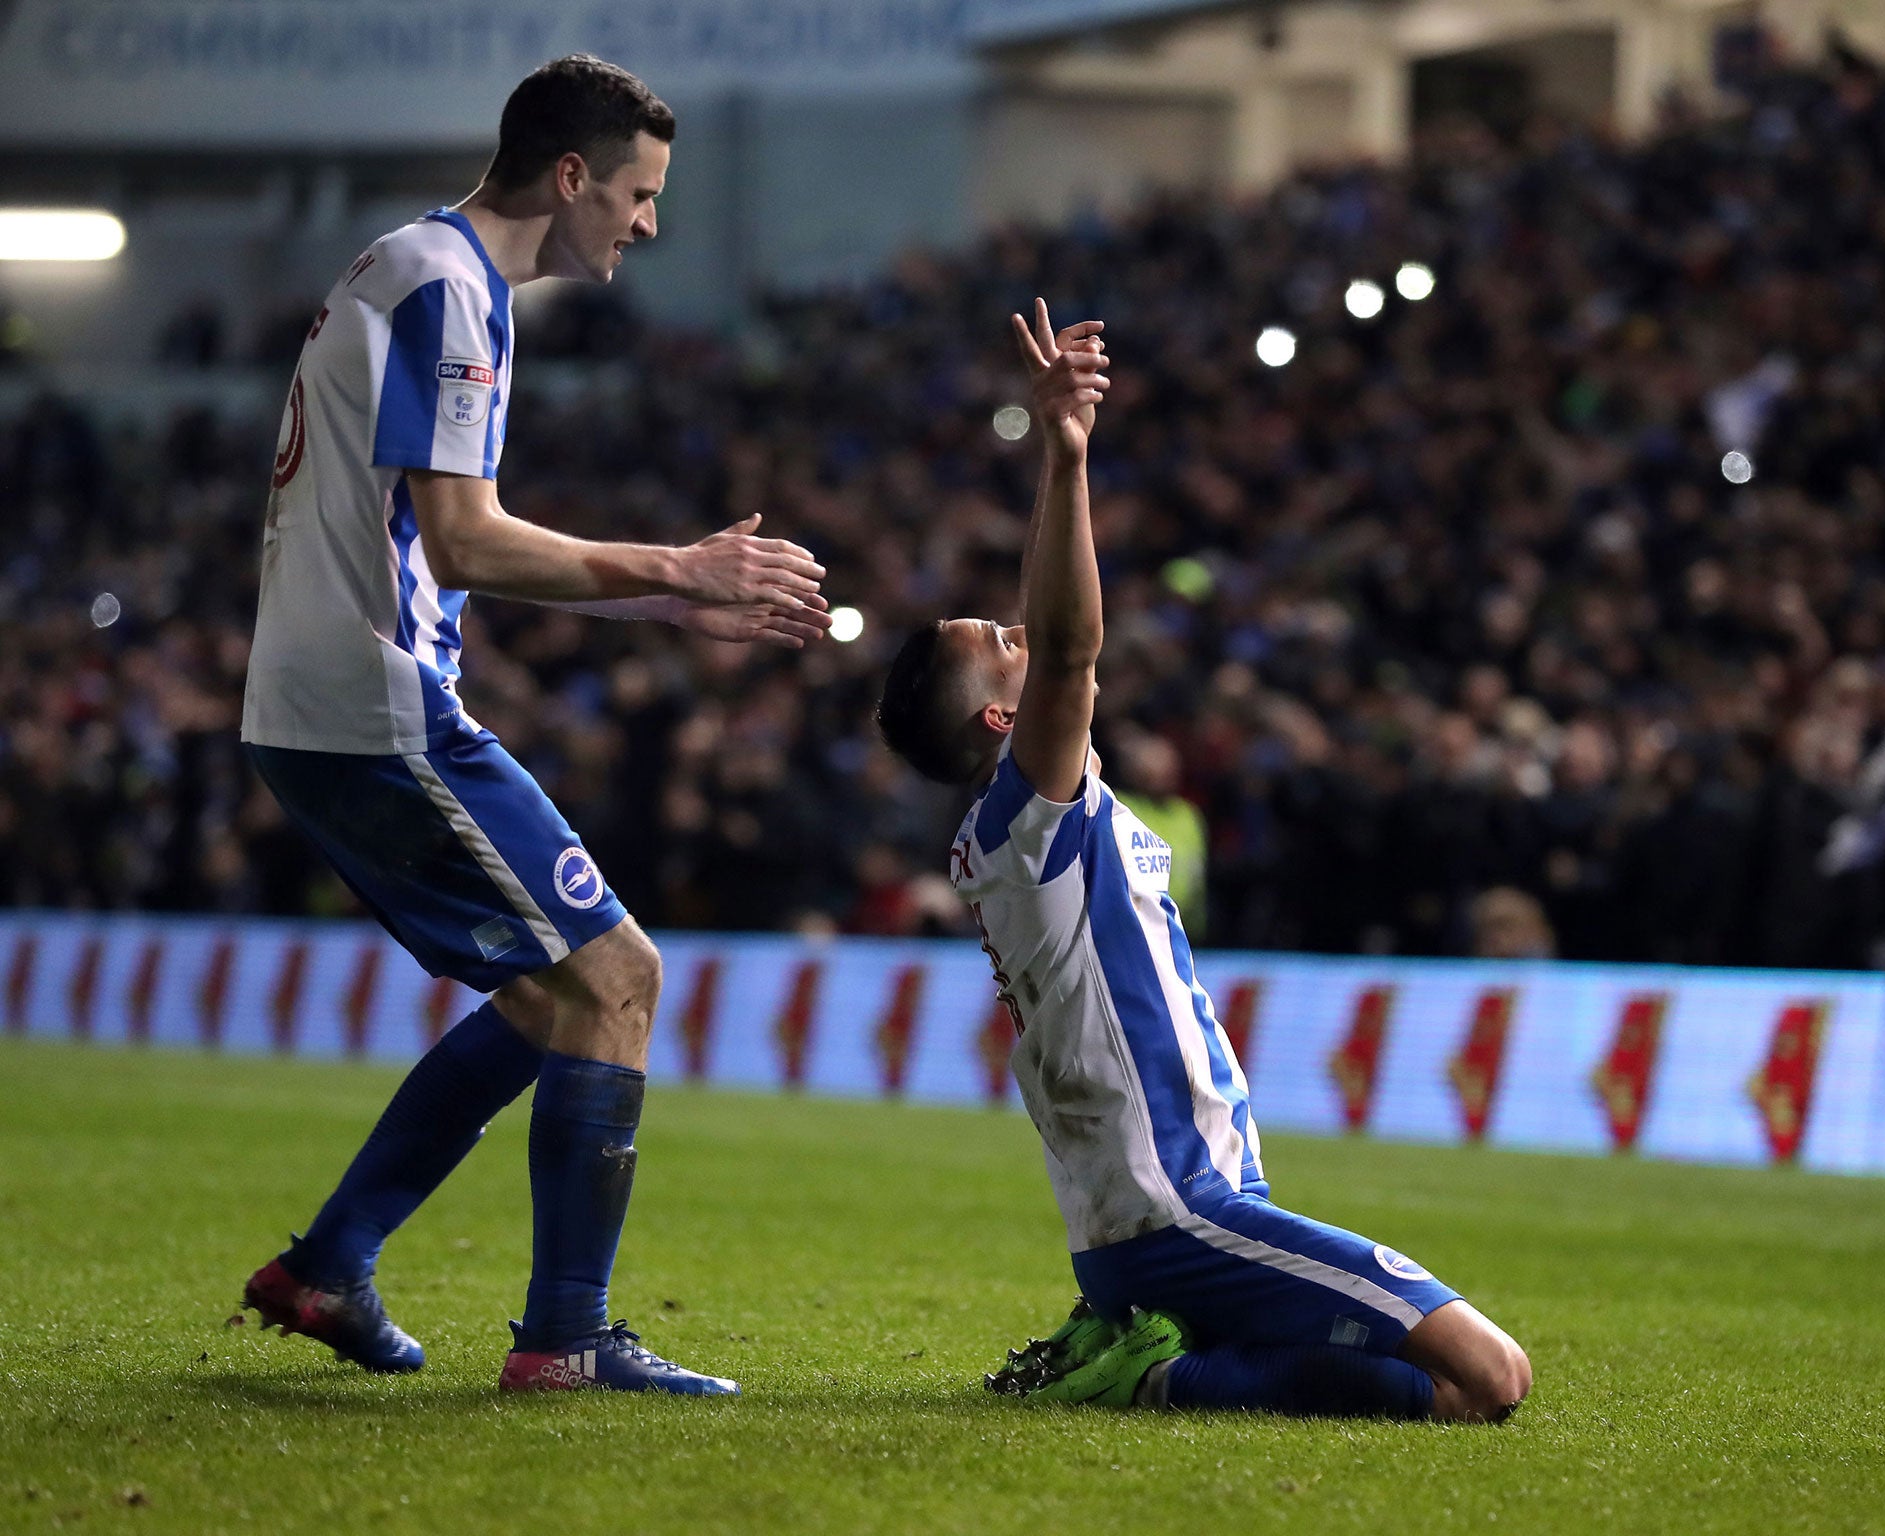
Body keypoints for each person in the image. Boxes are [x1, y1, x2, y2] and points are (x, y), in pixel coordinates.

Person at [237, 54, 830, 1395]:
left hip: (320, 702)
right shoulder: (451, 292)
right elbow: (464, 538)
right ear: (570, 177)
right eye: (636, 191)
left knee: (551, 998)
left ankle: (330, 1266)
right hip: (369, 704)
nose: (648, 221)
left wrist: (666, 609)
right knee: (618, 980)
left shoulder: (421, 272)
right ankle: (565, 1340)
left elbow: (440, 544)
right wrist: (680, 569)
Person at [875, 302, 1530, 1420]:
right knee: (1493, 1376)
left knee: (1435, 1397)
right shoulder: (1028, 812)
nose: (1014, 632)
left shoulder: (1017, 828)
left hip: (1184, 1206)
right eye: (994, 644)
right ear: (998, 721)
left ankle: (1146, 1359)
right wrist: (1064, 455)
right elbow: (1073, 643)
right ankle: (1147, 1372)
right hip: (1175, 1212)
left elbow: (1056, 641)